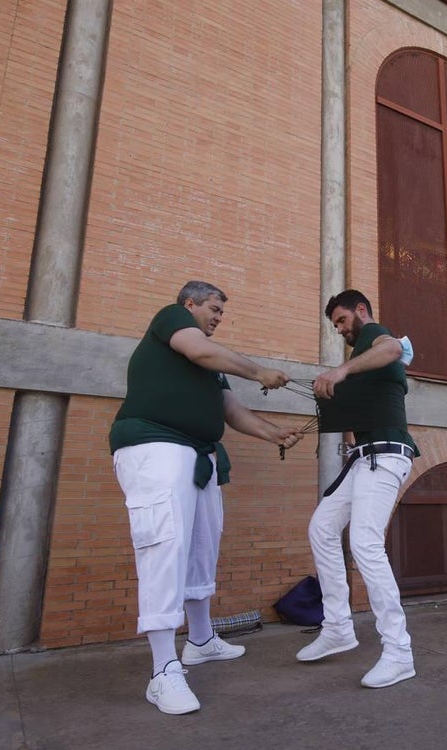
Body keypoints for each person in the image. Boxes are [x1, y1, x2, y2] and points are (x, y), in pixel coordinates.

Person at [110, 280, 303, 715]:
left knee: (201, 546)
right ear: (189, 303)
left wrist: (275, 433)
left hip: (199, 456)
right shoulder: (172, 320)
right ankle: (163, 671)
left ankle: (200, 640)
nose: (218, 317)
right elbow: (200, 350)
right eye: (214, 309)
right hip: (156, 445)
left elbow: (231, 411)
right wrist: (259, 372)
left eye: (221, 312)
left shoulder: (212, 365)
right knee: (165, 546)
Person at [298, 289, 420, 688]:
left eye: (341, 320)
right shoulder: (361, 359)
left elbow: (393, 348)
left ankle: (399, 653)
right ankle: (337, 628)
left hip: (386, 454)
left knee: (365, 542)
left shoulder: (374, 335)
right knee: (322, 528)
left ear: (360, 311)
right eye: (335, 324)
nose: (339, 329)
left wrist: (340, 372)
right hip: (365, 457)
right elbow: (356, 410)